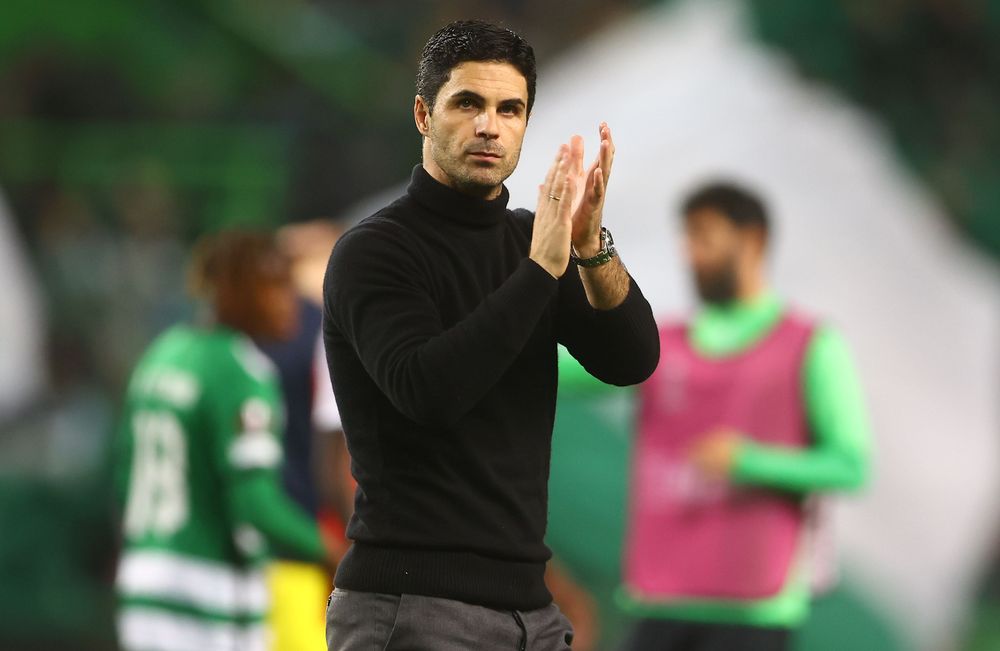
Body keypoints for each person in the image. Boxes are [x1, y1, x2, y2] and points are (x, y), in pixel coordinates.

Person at [322, 19, 660, 651]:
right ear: (423, 114)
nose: (490, 125)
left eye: (511, 109)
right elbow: (428, 390)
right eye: (468, 103)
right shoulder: (375, 251)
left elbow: (634, 358)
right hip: (411, 607)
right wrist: (541, 270)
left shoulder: (541, 243)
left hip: (530, 609)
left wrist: (590, 249)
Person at [618, 183, 872, 651]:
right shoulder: (662, 341)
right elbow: (558, 365)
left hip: (754, 610)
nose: (690, 253)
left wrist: (746, 460)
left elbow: (850, 465)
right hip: (659, 597)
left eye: (704, 236)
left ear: (753, 240)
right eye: (686, 237)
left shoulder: (809, 343)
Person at [114, 230, 339, 651]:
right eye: (277, 287)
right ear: (242, 291)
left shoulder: (163, 353)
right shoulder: (239, 372)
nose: (290, 302)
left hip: (144, 580)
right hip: (208, 590)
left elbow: (123, 472)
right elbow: (256, 505)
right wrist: (332, 551)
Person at [255, 220, 350, 651]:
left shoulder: (243, 336)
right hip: (306, 534)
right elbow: (335, 457)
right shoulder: (323, 329)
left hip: (264, 536)